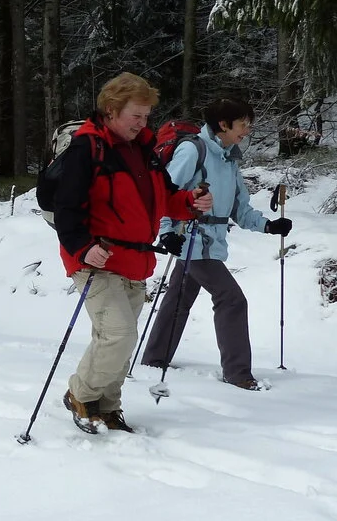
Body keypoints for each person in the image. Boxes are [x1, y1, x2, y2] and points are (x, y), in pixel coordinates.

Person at [53, 72, 214, 434]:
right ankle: (80, 395)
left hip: (136, 261)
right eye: (135, 116)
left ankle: (107, 407)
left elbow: (165, 197)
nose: (142, 124)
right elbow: (66, 209)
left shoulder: (144, 150)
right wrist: (83, 247)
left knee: (117, 341)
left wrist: (190, 202)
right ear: (111, 111)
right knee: (119, 334)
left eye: (146, 117)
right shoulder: (87, 149)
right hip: (97, 260)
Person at [139, 97, 293, 391]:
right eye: (243, 124)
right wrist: (167, 231)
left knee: (179, 298)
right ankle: (238, 374)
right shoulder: (192, 150)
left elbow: (240, 208)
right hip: (191, 240)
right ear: (223, 124)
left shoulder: (228, 158)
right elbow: (163, 194)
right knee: (232, 299)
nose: (247, 130)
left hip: (209, 242)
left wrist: (269, 226)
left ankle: (155, 358)